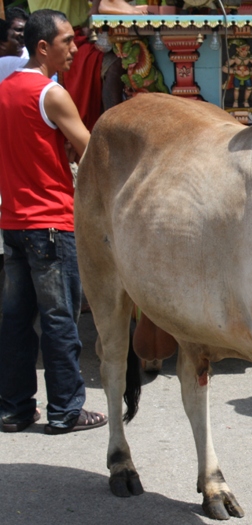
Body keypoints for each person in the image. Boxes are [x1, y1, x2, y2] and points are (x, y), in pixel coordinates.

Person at [0, 9, 106, 434]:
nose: (75, 48)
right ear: (43, 46)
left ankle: (14, 408)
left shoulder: (5, 89)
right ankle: (65, 409)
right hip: (51, 223)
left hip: (13, 221)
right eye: (67, 41)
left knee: (15, 322)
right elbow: (92, 151)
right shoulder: (51, 94)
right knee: (60, 320)